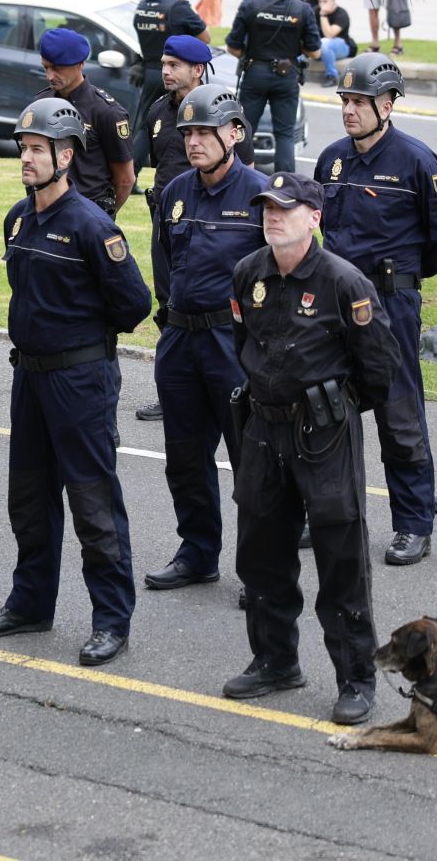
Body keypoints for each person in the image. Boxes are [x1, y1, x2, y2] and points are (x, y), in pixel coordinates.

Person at [0, 96, 151, 666]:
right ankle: (30, 603)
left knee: (93, 503)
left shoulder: (93, 226)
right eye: (23, 148)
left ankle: (111, 619)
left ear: (66, 157)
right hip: (29, 378)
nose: (25, 158)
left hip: (80, 382)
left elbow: (134, 305)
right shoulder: (18, 218)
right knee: (28, 498)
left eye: (36, 150)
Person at [224, 173, 395, 725]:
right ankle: (275, 660)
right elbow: (243, 344)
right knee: (260, 550)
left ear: (314, 218)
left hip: (323, 433)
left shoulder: (344, 282)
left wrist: (334, 409)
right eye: (267, 208)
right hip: (262, 428)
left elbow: (378, 370)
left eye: (286, 208)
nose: (273, 216)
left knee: (340, 554)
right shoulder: (249, 272)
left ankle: (356, 677)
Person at [313, 54, 437, 566]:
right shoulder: (332, 160)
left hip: (391, 304)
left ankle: (412, 525)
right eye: (345, 101)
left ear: (387, 103)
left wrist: (402, 276)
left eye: (358, 102)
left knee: (399, 415)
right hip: (337, 304)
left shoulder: (418, 162)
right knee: (327, 411)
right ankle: (330, 516)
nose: (349, 111)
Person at [146, 83, 267, 592]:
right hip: (181, 339)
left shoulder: (262, 194)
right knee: (185, 457)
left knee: (251, 462)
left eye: (205, 132)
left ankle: (260, 567)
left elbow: (289, 274)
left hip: (233, 341)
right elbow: (163, 261)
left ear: (234, 134)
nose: (193, 142)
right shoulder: (176, 193)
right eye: (188, 132)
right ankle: (197, 551)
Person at [226, 0, 320, 174]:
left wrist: (252, 54)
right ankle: (284, 186)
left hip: (255, 73)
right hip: (287, 76)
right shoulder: (302, 9)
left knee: (244, 130)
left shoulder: (250, 6)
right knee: (285, 134)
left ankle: (236, 178)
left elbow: (233, 46)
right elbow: (315, 51)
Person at [31, 28, 133, 217]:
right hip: (44, 210)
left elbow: (125, 179)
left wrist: (101, 218)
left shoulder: (106, 112)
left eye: (57, 69)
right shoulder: (40, 104)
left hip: (88, 212)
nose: (49, 76)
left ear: (80, 64)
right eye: (46, 68)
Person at [132, 0, 210, 121]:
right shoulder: (178, 7)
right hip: (176, 75)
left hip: (150, 75)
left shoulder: (142, 5)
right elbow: (205, 37)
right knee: (181, 123)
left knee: (147, 126)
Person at [314, 0, 357, 84]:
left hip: (342, 46)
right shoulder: (315, 11)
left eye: (325, 1)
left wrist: (323, 15)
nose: (322, 5)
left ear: (333, 1)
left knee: (325, 43)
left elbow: (329, 35)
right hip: (321, 45)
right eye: (320, 1)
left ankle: (332, 76)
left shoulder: (341, 13)